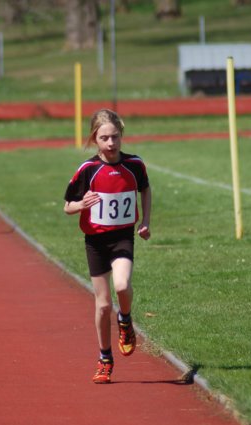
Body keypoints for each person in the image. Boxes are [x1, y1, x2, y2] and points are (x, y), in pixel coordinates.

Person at [63, 109, 152, 384]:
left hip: (123, 237)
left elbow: (145, 189)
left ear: (121, 135)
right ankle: (105, 359)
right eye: (104, 138)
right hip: (96, 242)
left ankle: (125, 320)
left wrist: (145, 221)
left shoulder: (134, 165)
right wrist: (81, 204)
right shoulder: (87, 170)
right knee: (102, 306)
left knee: (122, 286)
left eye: (115, 137)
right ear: (94, 139)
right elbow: (67, 206)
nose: (111, 143)